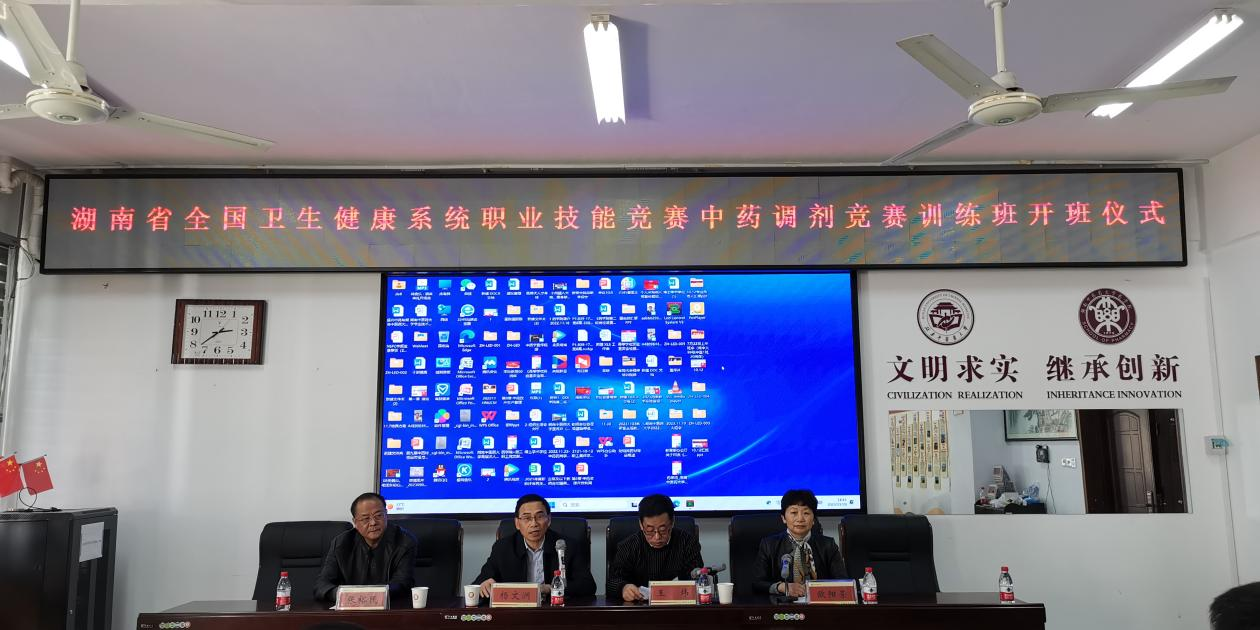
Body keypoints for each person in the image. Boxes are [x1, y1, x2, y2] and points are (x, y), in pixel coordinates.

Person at [472, 493, 596, 598]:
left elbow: (588, 586)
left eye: (540, 516)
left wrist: (550, 588)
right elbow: (478, 584)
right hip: (517, 611)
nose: (534, 523)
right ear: (517, 523)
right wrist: (484, 584)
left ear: (549, 520)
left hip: (554, 610)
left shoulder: (567, 546)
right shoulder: (502, 548)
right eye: (527, 518)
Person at [314, 492, 418, 602]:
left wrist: (366, 596)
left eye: (378, 516)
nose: (373, 523)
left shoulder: (404, 541)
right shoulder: (341, 544)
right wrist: (345, 595)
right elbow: (322, 585)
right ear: (355, 522)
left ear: (386, 515)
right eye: (365, 518)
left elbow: (402, 583)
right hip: (351, 605)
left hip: (391, 606)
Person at [607, 493, 704, 601]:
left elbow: (697, 577)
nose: (657, 537)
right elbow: (611, 582)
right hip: (639, 606)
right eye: (650, 530)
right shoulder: (628, 546)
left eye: (662, 530)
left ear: (672, 522)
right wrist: (623, 588)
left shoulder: (687, 543)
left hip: (678, 604)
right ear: (641, 524)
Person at [752, 489, 846, 598]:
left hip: (819, 602)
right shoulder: (769, 545)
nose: (800, 519)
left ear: (814, 519)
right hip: (782, 604)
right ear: (783, 518)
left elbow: (843, 581)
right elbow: (757, 583)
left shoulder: (828, 545)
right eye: (794, 513)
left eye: (806, 513)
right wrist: (781, 587)